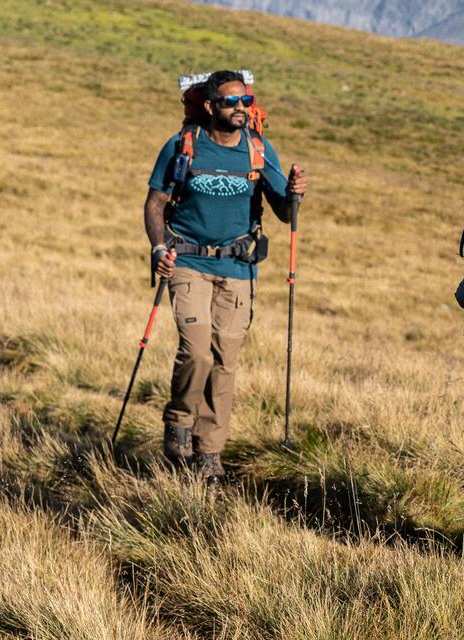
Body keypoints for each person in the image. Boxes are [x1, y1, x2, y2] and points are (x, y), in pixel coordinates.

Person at [145, 69, 307, 480]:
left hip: (238, 267)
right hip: (187, 263)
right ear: (210, 106)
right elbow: (155, 203)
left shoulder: (257, 149)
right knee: (197, 350)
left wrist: (294, 194)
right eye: (231, 102)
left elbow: (284, 213)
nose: (240, 109)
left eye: (245, 102)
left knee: (225, 360)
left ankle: (209, 452)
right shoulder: (183, 146)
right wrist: (159, 247)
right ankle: (180, 421)